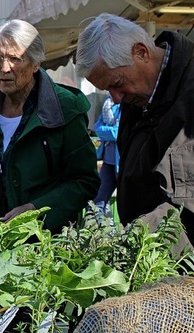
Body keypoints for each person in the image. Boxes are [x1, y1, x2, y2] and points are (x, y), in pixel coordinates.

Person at [0, 19, 99, 232]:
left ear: (36, 63)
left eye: (15, 59)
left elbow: (84, 180)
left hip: (37, 249)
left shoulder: (63, 110)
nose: (5, 68)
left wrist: (37, 210)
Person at [76, 13, 194, 249]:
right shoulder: (137, 97)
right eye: (107, 89)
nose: (116, 98)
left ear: (141, 52)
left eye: (117, 84)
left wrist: (130, 240)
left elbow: (188, 203)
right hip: (154, 256)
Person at [92, 96, 121, 216]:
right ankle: (96, 231)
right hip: (108, 162)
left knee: (126, 201)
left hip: (122, 162)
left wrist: (105, 131)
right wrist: (109, 130)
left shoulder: (125, 105)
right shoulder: (107, 103)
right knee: (98, 199)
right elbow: (96, 127)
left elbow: (118, 133)